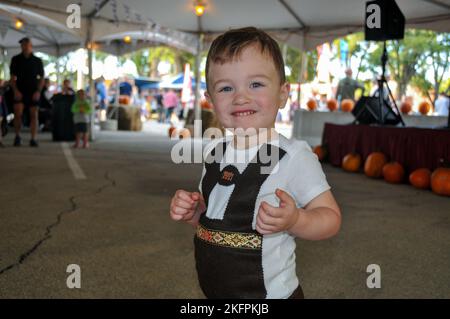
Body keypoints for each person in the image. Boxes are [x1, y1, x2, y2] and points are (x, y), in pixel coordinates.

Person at [169, 27, 341, 299]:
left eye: (256, 84)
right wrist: (194, 213)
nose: (240, 97)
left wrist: (296, 219)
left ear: (283, 93)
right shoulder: (215, 152)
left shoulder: (293, 156)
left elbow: (331, 219)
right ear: (210, 99)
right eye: (226, 88)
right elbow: (217, 222)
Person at [9, 37, 44, 147]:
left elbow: (42, 78)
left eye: (25, 44)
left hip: (33, 91)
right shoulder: (15, 59)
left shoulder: (37, 61)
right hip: (19, 90)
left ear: (30, 46)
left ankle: (33, 138)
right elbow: (12, 77)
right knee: (17, 114)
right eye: (22, 45)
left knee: (34, 115)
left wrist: (38, 91)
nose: (23, 47)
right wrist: (15, 91)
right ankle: (17, 136)